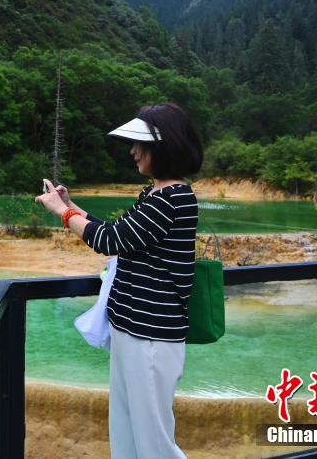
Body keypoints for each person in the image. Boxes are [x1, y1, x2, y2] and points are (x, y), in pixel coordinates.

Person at [35, 102, 203, 459]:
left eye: (140, 144)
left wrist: (62, 213)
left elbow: (109, 241)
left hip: (152, 337)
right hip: (131, 329)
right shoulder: (155, 195)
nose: (133, 152)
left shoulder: (174, 198)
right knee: (126, 432)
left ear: (163, 148)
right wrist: (74, 206)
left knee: (154, 441)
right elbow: (121, 232)